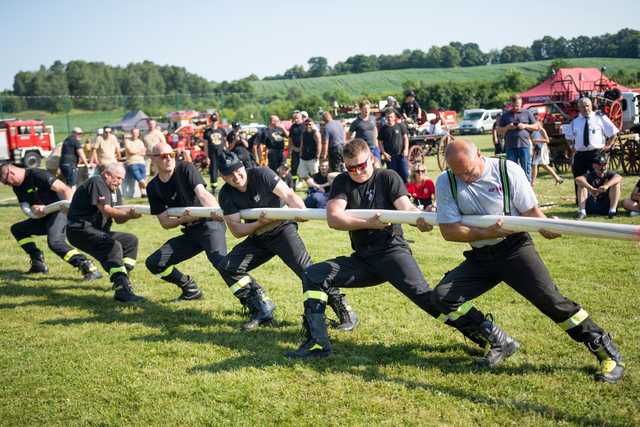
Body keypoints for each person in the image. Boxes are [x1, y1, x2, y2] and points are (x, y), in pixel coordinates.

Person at [289, 138, 515, 361]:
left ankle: (494, 337)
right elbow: (334, 218)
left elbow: (405, 208)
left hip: (392, 253)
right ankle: (317, 342)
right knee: (314, 275)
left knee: (430, 300)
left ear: (373, 159)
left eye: (362, 165)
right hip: (363, 259)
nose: (357, 172)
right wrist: (370, 223)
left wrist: (420, 219)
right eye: (351, 168)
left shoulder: (388, 177)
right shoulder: (342, 181)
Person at [432, 139, 624, 383]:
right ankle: (500, 342)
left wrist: (546, 227)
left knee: (552, 302)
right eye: (458, 173)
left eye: (468, 171)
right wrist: (488, 233)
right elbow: (449, 231)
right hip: (481, 256)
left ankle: (606, 352)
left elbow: (531, 213)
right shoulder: (446, 180)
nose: (465, 178)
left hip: (514, 250)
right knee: (442, 297)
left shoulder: (506, 170)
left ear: (480, 155)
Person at [216, 151, 357, 331]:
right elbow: (236, 230)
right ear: (222, 176)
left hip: (283, 230)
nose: (236, 176)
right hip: (258, 236)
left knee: (308, 272)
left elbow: (289, 195)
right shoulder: (226, 194)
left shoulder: (262, 174)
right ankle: (261, 308)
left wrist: (300, 210)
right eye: (229, 174)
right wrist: (259, 223)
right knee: (228, 267)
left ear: (243, 166)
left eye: (238, 170)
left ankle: (344, 310)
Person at [144, 143, 227, 301]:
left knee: (221, 263)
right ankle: (190, 289)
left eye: (172, 154)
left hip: (210, 224)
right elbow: (165, 223)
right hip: (191, 231)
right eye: (163, 156)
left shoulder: (186, 168)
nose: (168, 158)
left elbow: (202, 194)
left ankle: (255, 300)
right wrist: (184, 219)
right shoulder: (153, 187)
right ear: (153, 159)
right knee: (155, 263)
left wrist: (217, 212)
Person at [1, 164, 100, 279]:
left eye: (6, 182)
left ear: (11, 172)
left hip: (60, 212)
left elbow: (65, 189)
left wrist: (71, 212)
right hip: (45, 217)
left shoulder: (37, 174)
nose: (8, 185)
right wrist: (33, 209)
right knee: (18, 229)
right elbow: (26, 205)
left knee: (55, 242)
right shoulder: (17, 187)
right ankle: (38, 262)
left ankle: (87, 266)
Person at [66, 162, 144, 302]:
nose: (120, 182)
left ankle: (123, 281)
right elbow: (106, 209)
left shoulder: (115, 190)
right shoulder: (97, 181)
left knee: (130, 241)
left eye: (122, 179)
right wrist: (129, 215)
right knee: (113, 246)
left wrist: (130, 215)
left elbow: (118, 218)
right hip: (80, 230)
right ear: (106, 174)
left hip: (96, 230)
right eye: (117, 178)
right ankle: (122, 291)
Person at [566, 97, 619, 203]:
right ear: (579, 108)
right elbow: (569, 137)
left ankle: (600, 200)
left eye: (587, 105)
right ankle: (581, 203)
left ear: (591, 106)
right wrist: (572, 147)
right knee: (579, 178)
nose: (585, 108)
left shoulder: (600, 118)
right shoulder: (575, 121)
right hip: (580, 154)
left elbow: (613, 132)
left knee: (598, 178)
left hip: (596, 153)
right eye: (582, 106)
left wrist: (608, 145)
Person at [498, 95, 537, 181]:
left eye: (518, 105)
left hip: (524, 145)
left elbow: (536, 126)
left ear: (521, 104)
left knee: (526, 168)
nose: (516, 107)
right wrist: (507, 127)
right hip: (510, 146)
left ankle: (527, 189)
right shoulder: (505, 115)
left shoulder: (527, 113)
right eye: (514, 105)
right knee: (512, 169)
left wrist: (524, 125)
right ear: (511, 104)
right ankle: (514, 189)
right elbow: (499, 130)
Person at [575, 154, 622, 219]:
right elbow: (578, 179)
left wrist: (606, 186)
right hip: (592, 205)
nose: (603, 167)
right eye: (600, 165)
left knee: (616, 184)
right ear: (594, 165)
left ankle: (612, 211)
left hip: (606, 206)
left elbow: (619, 177)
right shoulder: (590, 175)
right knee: (581, 185)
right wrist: (590, 188)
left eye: (604, 164)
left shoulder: (609, 173)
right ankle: (582, 212)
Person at [378, 110, 409, 183]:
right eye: (388, 117)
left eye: (391, 117)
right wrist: (384, 153)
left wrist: (406, 149)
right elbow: (380, 142)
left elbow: (405, 138)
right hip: (390, 157)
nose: (389, 118)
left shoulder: (400, 126)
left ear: (394, 117)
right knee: (393, 176)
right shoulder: (383, 129)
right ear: (385, 117)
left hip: (401, 155)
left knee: (405, 174)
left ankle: (407, 191)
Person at [530, 122, 563, 187]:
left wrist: (536, 140)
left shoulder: (541, 130)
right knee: (544, 165)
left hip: (542, 149)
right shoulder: (533, 131)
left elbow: (547, 140)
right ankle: (557, 178)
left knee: (534, 164)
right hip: (537, 149)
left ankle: (532, 182)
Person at [203, 112, 227, 195]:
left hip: (221, 153)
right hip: (212, 154)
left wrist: (227, 152)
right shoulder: (207, 132)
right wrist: (206, 157)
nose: (214, 122)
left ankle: (227, 187)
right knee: (213, 171)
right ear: (210, 121)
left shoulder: (222, 130)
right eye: (212, 120)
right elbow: (205, 145)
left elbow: (225, 142)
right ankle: (214, 189)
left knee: (225, 169)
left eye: (215, 120)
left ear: (218, 121)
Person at [124, 128, 147, 197]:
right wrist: (139, 151)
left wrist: (136, 151)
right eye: (134, 132)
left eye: (136, 133)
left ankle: (143, 193)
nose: (135, 134)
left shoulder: (140, 141)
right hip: (132, 162)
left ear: (138, 134)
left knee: (142, 178)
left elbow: (144, 152)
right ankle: (145, 187)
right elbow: (130, 151)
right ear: (131, 133)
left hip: (141, 162)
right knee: (139, 178)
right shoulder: (127, 141)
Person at [288, 111, 305, 181]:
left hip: (303, 150)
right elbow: (290, 139)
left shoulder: (304, 126)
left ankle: (301, 180)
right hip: (295, 149)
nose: (296, 120)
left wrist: (301, 149)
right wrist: (290, 149)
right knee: (294, 166)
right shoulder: (292, 127)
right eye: (294, 118)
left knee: (302, 167)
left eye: (297, 118)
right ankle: (293, 181)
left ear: (301, 118)